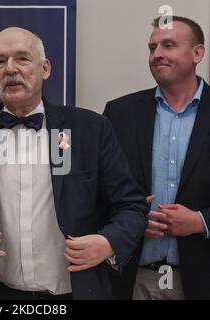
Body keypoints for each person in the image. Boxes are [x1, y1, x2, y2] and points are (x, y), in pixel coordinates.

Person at [0, 27, 148, 300]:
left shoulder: (91, 129)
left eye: (22, 58)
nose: (10, 69)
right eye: (0, 61)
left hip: (75, 293)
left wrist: (108, 242)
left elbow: (131, 206)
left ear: (45, 68)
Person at [104, 16, 210, 300]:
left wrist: (201, 221)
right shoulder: (119, 113)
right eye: (152, 48)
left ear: (198, 53)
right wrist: (130, 219)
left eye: (169, 45)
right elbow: (95, 192)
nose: (157, 55)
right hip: (132, 280)